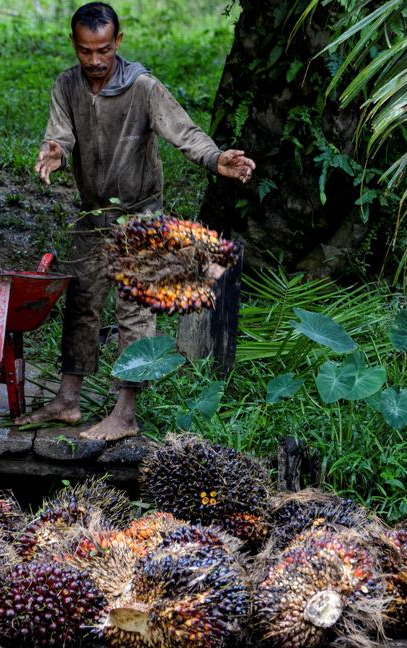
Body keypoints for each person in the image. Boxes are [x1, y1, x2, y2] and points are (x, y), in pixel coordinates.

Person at [15, 2, 255, 440]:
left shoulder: (143, 87)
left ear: (118, 42)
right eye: (86, 51)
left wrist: (217, 158)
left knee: (135, 311)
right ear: (74, 45)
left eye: (103, 49)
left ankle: (124, 413)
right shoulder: (66, 85)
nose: (95, 61)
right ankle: (68, 401)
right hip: (93, 216)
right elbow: (60, 134)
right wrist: (53, 150)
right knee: (81, 302)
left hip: (140, 214)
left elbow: (185, 132)